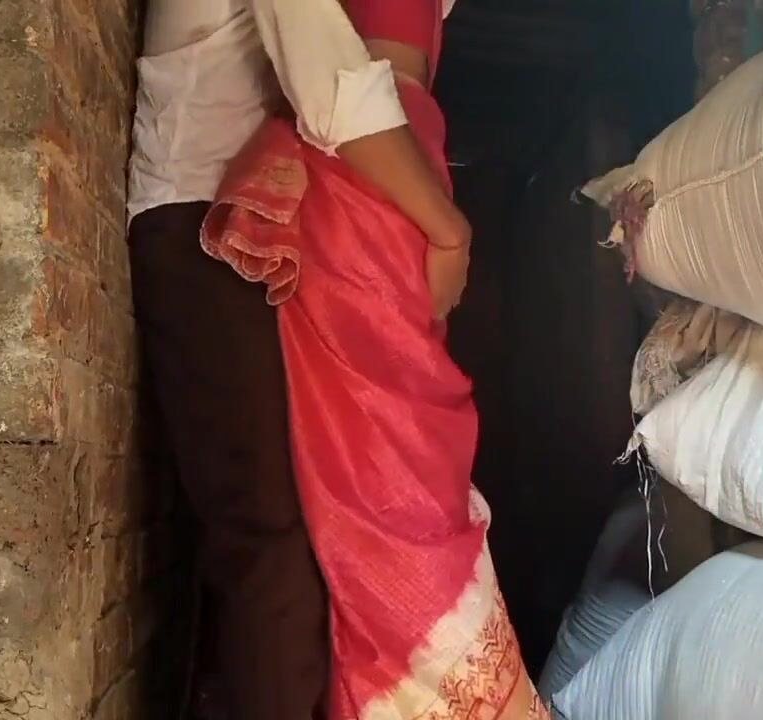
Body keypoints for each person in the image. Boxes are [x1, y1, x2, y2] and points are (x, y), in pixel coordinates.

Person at [202, 0, 549, 716]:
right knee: (389, 460)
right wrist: (449, 231)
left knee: (408, 452)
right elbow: (332, 80)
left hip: (397, 151)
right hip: (368, 156)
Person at [126, 1, 469, 718]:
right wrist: (448, 231)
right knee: (273, 544)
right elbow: (334, 88)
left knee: (287, 544)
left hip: (250, 222)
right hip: (204, 219)